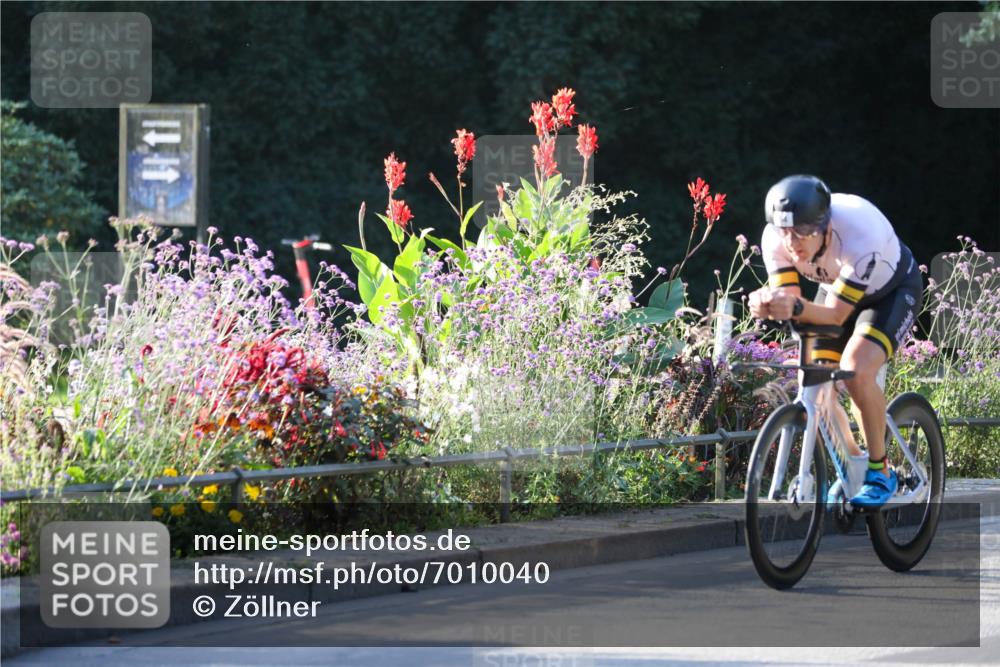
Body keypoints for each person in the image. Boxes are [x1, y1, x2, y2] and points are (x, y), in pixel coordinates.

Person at [747, 175, 922, 508]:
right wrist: (767, 303)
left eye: (801, 232)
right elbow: (793, 303)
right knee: (815, 382)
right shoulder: (775, 238)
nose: (792, 242)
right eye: (785, 231)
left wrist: (795, 306)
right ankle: (853, 467)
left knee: (856, 370)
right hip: (834, 292)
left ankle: (880, 470)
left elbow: (836, 316)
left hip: (890, 294)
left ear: (825, 227)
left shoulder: (859, 232)